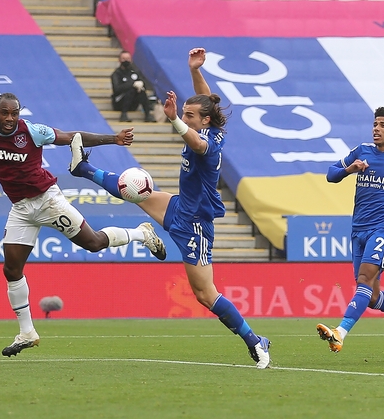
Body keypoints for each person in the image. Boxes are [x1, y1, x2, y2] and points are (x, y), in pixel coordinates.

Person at [0, 92, 166, 357]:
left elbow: (72, 137)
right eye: (5, 113)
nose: (10, 118)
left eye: (14, 113)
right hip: (22, 209)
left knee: (93, 243)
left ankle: (141, 233)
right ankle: (27, 332)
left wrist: (113, 139)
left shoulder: (33, 132)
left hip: (48, 201)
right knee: (11, 269)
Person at [69, 48, 272, 369]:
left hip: (196, 224)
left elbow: (198, 144)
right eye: (186, 114)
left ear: (202, 122)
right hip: (180, 206)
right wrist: (195, 71)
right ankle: (82, 169)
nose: (187, 117)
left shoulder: (209, 141)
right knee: (132, 191)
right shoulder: (209, 122)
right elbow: (208, 102)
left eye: (191, 116)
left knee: (206, 295)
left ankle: (255, 340)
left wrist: (176, 119)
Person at [316, 107, 384, 353]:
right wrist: (349, 169)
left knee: (364, 280)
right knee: (372, 297)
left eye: (383, 125)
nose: (377, 129)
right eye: (375, 124)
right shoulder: (362, 152)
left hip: (383, 228)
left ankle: (339, 333)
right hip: (358, 230)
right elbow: (331, 175)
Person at [111, 50, 156, 123]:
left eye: (128, 59)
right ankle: (123, 115)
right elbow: (117, 89)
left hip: (133, 103)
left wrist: (140, 84)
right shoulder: (116, 74)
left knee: (141, 91)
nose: (126, 61)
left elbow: (143, 83)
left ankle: (148, 115)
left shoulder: (135, 71)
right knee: (131, 90)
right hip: (120, 102)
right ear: (119, 60)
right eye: (123, 59)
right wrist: (132, 84)